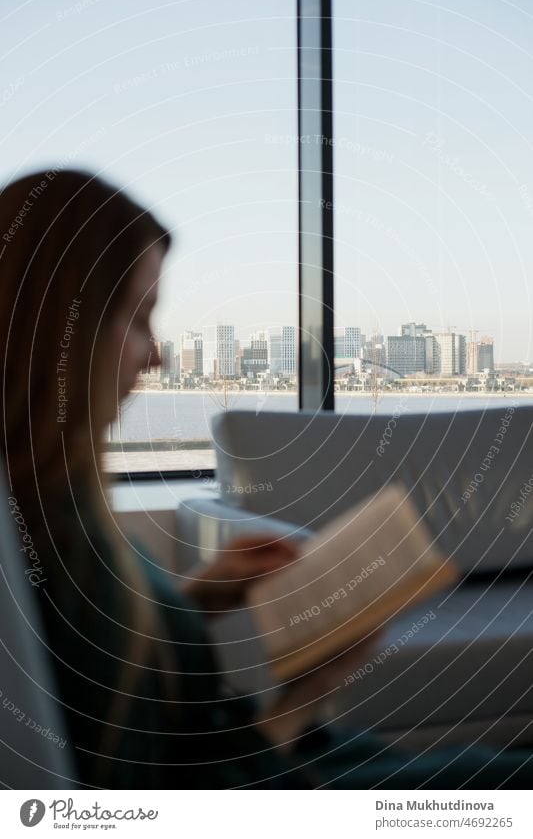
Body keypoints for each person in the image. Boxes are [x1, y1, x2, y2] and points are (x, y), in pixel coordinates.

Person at [1, 169, 530, 789]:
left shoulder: (51, 514)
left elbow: (102, 665)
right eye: (140, 318)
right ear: (68, 328)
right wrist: (309, 692)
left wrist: (199, 594)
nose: (158, 355)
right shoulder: (52, 540)